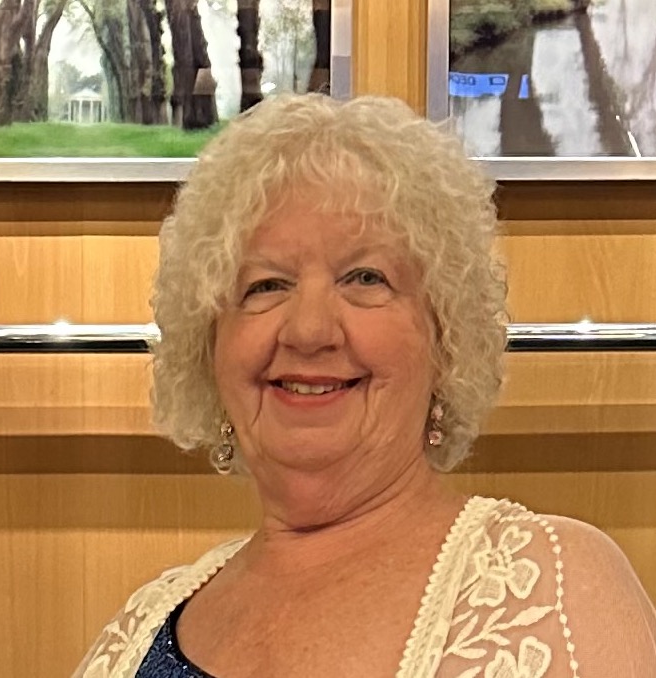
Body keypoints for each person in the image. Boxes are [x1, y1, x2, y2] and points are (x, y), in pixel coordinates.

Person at [74, 94, 656, 678]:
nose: (308, 330)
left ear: (446, 337)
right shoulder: (141, 627)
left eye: (364, 278)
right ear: (210, 346)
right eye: (265, 285)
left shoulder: (552, 589)